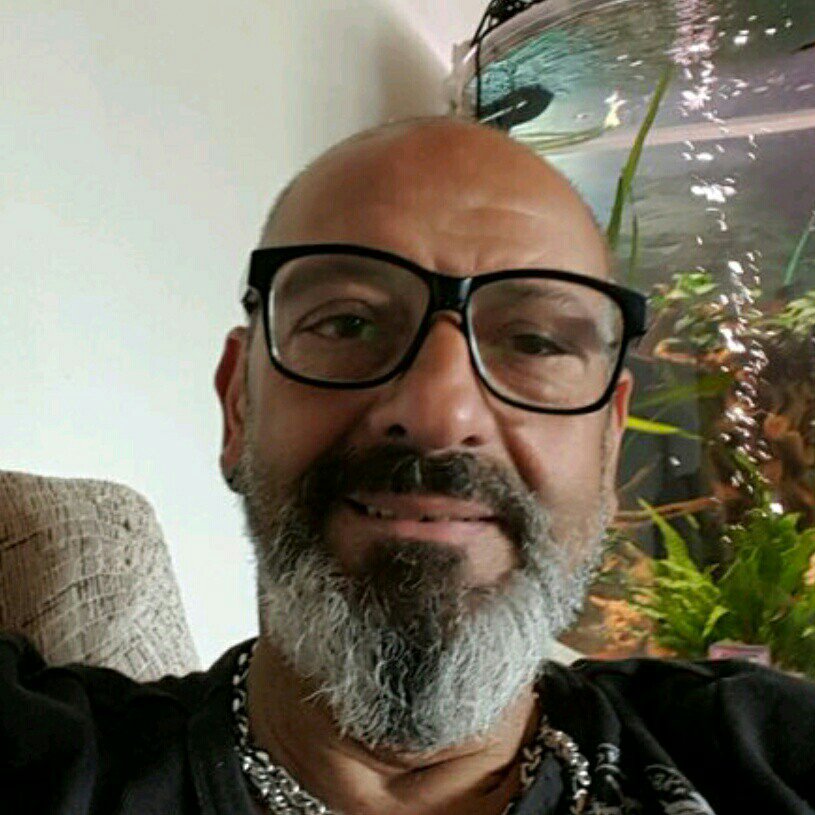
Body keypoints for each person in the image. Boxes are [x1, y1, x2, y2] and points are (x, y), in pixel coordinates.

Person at [1, 116, 813, 815]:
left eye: (534, 342)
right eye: (348, 323)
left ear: (608, 440)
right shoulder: (50, 765)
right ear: (238, 407)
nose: (439, 412)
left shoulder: (763, 752)